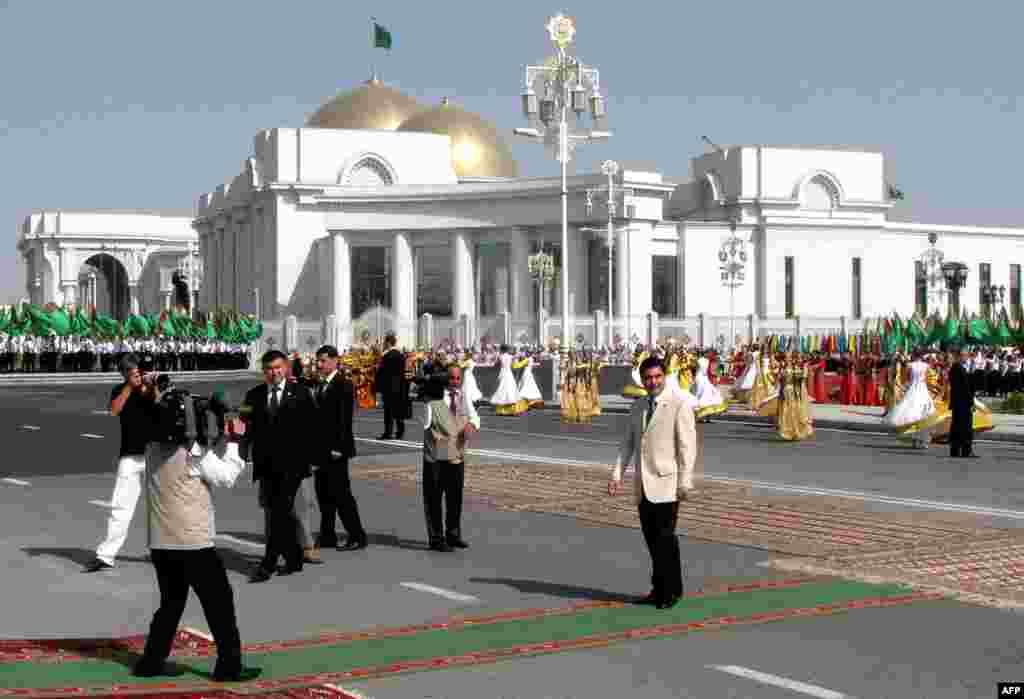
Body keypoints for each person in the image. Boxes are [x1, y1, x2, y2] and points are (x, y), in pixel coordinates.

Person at [134, 389, 260, 681]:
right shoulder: (193, 455)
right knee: (220, 605)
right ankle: (229, 666)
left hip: (160, 542)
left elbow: (198, 447)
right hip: (193, 543)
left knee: (171, 602)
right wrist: (237, 441)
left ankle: (150, 662)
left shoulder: (153, 450)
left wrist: (216, 436)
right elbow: (226, 476)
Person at [608, 356, 697, 610]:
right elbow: (627, 444)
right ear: (643, 379)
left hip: (668, 484)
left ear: (665, 376)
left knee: (665, 539)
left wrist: (685, 481)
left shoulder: (679, 404)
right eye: (648, 378)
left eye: (657, 376)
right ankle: (661, 588)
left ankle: (670, 591)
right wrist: (617, 474)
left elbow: (687, 447)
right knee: (652, 540)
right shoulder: (637, 407)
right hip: (643, 485)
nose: (653, 382)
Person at [241, 350, 316, 583]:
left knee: (279, 513)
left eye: (277, 368)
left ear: (285, 368)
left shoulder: (301, 393)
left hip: (292, 464)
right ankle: (294, 558)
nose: (273, 373)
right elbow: (243, 424)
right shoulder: (253, 395)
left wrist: (314, 458)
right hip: (266, 464)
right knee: (277, 512)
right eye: (268, 369)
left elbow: (314, 426)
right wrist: (241, 449)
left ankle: (268, 563)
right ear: (263, 372)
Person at [84, 354, 155, 572]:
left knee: (162, 507)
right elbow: (115, 410)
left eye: (138, 372)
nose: (137, 376)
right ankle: (106, 555)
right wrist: (129, 387)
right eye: (132, 373)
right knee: (121, 506)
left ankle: (163, 551)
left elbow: (155, 399)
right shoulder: (119, 390)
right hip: (130, 455)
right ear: (124, 374)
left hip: (155, 453)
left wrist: (147, 384)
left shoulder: (150, 386)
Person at [313, 345, 368, 551]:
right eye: (318, 360)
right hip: (320, 449)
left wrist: (339, 447)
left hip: (335, 449)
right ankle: (327, 535)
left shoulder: (343, 384)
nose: (319, 364)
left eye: (323, 360)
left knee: (341, 493)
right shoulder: (321, 384)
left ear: (335, 361)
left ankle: (357, 535)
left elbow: (344, 420)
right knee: (323, 493)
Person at [421, 364, 480, 551]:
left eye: (457, 378)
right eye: (452, 378)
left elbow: (475, 417)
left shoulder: (463, 397)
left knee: (455, 497)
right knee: (434, 499)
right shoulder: (432, 402)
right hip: (436, 459)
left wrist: (472, 425)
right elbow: (426, 427)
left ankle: (453, 535)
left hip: (457, 455)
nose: (455, 382)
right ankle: (436, 539)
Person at [375, 333, 409, 440]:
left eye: (385, 342)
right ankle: (400, 432)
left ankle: (388, 433)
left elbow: (382, 372)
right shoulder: (401, 355)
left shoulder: (386, 356)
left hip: (389, 386)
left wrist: (378, 385)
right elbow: (405, 371)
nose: (384, 344)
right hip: (400, 386)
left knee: (388, 411)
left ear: (388, 342)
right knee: (398, 409)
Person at [948, 349, 977, 458]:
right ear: (960, 356)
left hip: (957, 402)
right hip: (963, 403)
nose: (966, 358)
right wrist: (971, 402)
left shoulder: (955, 368)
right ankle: (966, 450)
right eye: (965, 356)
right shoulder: (959, 369)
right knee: (966, 427)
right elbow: (966, 388)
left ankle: (955, 450)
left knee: (956, 426)